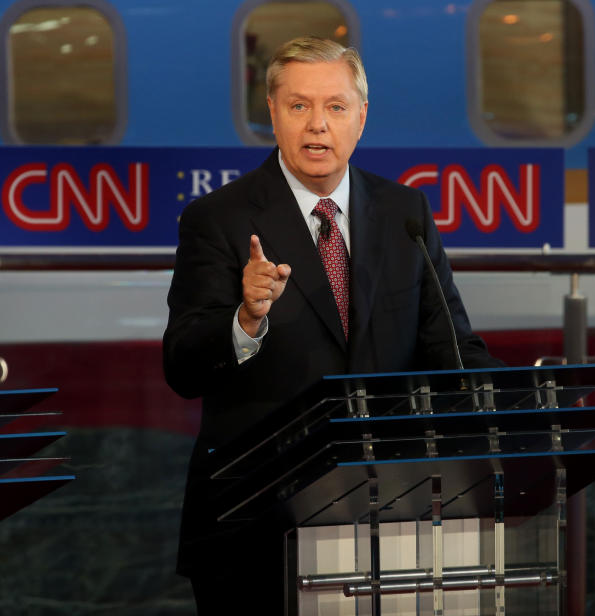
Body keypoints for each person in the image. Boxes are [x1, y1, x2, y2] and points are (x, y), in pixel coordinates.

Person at [162, 36, 501, 613]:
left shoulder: (404, 214)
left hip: (390, 516)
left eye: (335, 107)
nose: (317, 124)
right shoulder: (217, 219)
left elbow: (452, 348)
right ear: (272, 112)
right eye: (298, 106)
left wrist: (516, 408)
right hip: (257, 526)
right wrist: (245, 319)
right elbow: (183, 366)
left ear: (361, 117)